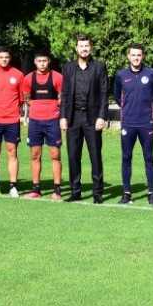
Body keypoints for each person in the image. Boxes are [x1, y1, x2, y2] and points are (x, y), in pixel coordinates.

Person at [59, 34, 109, 204]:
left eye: (87, 46)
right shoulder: (68, 68)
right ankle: (75, 191)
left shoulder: (99, 67)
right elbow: (65, 94)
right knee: (73, 155)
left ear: (91, 48)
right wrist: (63, 116)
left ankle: (97, 192)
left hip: (92, 118)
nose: (84, 49)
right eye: (81, 46)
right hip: (73, 118)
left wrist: (102, 116)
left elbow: (104, 94)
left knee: (95, 155)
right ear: (76, 48)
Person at [113, 43, 153, 205]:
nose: (136, 58)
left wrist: (147, 110)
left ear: (143, 56)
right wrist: (128, 109)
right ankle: (127, 193)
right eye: (133, 55)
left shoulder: (151, 73)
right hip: (128, 123)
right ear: (128, 56)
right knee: (126, 157)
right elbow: (116, 97)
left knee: (148, 157)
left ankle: (151, 193)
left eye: (139, 55)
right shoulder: (121, 75)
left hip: (145, 123)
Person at [22, 50, 63, 200]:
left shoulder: (58, 77)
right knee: (35, 155)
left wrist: (54, 108)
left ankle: (57, 190)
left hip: (52, 121)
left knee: (55, 155)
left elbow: (62, 97)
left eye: (45, 61)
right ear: (35, 62)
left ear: (49, 61)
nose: (42, 64)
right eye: (39, 61)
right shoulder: (28, 78)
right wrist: (37, 108)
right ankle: (36, 189)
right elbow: (26, 98)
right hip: (35, 122)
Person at [0, 47, 25, 197]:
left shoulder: (18, 75)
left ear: (10, 58)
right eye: (1, 57)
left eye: (6, 57)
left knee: (12, 152)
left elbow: (21, 99)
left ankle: (13, 186)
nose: (4, 60)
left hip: (12, 120)